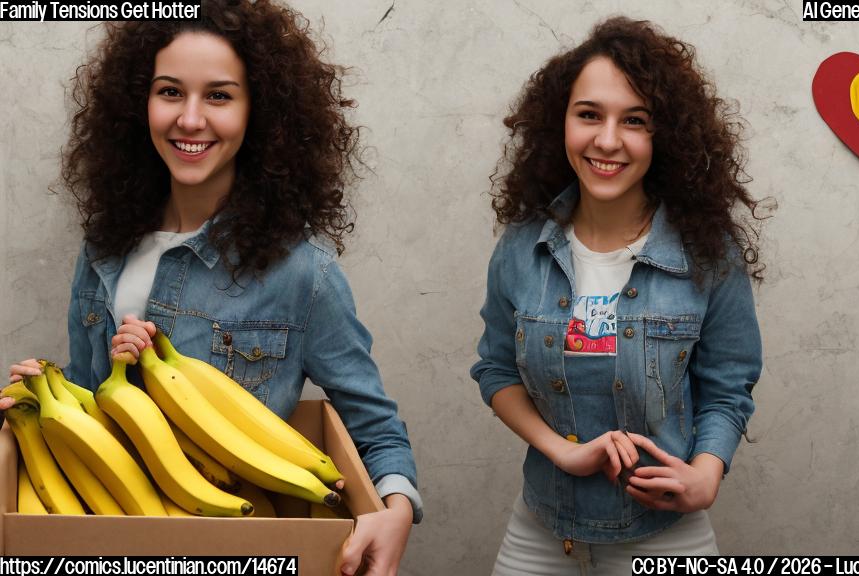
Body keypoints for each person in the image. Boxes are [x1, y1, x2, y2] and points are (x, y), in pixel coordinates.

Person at [5, 1, 420, 574]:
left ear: (260, 114)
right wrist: (46, 394)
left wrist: (396, 506)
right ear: (139, 103)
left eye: (219, 96)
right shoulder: (103, 252)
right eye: (170, 92)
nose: (191, 119)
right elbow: (92, 406)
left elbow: (371, 424)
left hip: (244, 547)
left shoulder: (303, 273)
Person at [470, 16, 764, 574]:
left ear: (664, 135)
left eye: (634, 121)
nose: (607, 140)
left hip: (665, 536)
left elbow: (728, 386)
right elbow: (496, 372)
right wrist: (563, 451)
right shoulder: (521, 246)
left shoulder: (708, 254)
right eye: (589, 115)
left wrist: (706, 474)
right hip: (542, 530)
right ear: (560, 122)